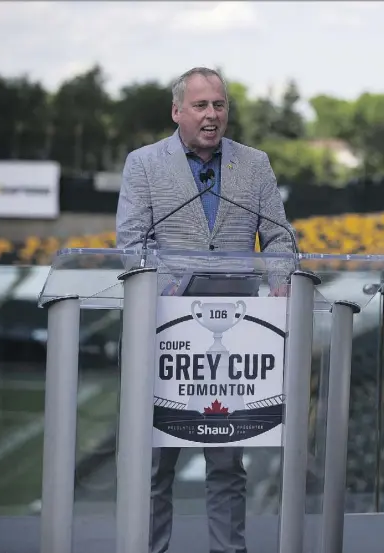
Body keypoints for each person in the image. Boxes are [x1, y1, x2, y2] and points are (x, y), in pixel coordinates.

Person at [115, 66, 296, 553]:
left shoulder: (254, 164)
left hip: (236, 341)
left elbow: (279, 237)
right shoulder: (144, 164)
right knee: (156, 466)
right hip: (166, 335)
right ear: (177, 112)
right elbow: (131, 244)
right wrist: (171, 285)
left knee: (226, 465)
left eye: (219, 105)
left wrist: (279, 282)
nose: (212, 114)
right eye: (201, 105)